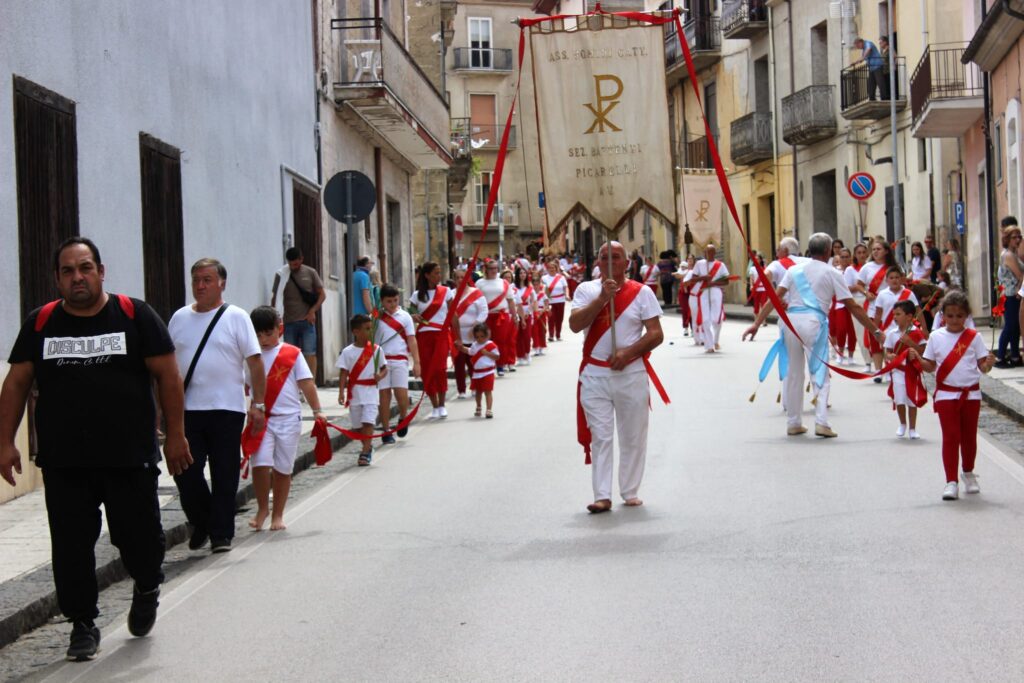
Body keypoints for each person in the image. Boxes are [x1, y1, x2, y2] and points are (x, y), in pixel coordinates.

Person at [0, 237, 192, 661]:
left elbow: (168, 376)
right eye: (68, 271)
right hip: (65, 460)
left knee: (137, 537)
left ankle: (146, 584)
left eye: (85, 268)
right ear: (58, 279)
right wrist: (4, 443)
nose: (78, 277)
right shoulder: (41, 323)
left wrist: (176, 435)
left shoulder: (134, 315)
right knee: (70, 545)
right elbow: (15, 383)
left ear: (101, 271)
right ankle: (82, 623)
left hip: (129, 456)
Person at [743, 233, 885, 438]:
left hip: (790, 323)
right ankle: (821, 421)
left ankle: (793, 422)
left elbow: (775, 298)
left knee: (794, 374)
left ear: (809, 251)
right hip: (814, 323)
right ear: (828, 251)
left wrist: (757, 324)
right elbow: (853, 306)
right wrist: (876, 331)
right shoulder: (833, 273)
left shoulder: (793, 270)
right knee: (819, 373)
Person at [170, 258, 265, 554]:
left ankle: (221, 533)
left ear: (222, 282)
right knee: (186, 473)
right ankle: (202, 520)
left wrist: (258, 404)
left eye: (207, 280)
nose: (200, 285)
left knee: (224, 472)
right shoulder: (179, 318)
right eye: (196, 279)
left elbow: (255, 362)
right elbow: (168, 366)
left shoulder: (236, 317)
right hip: (187, 409)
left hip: (227, 408)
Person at [570, 241, 665, 514]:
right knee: (600, 436)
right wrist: (602, 299)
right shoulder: (586, 290)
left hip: (630, 372)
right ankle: (602, 495)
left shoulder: (642, 292)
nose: (610, 261)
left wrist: (628, 353)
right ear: (597, 263)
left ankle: (630, 490)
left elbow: (655, 334)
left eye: (616, 257)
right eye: (604, 257)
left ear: (627, 263)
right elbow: (575, 325)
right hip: (594, 375)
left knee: (632, 435)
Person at [244, 306, 323, 531]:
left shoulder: (292, 354)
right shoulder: (251, 357)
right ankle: (262, 509)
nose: (263, 339)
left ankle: (278, 514)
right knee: (260, 464)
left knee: (282, 469)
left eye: (268, 334)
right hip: (262, 420)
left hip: (288, 419)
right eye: (258, 335)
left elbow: (306, 383)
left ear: (279, 329)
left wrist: (317, 411)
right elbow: (245, 385)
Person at [910, 291, 995, 500]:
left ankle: (968, 472)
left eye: (959, 316)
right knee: (951, 437)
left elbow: (982, 367)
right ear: (942, 316)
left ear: (966, 316)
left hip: (971, 394)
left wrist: (989, 364)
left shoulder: (974, 337)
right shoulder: (936, 337)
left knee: (968, 438)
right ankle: (951, 481)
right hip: (946, 395)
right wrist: (919, 360)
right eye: (950, 315)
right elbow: (930, 366)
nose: (955, 320)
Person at [336, 314, 387, 466]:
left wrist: (380, 376)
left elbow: (385, 368)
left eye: (371, 328)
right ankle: (367, 445)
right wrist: (341, 392)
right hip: (355, 393)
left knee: (368, 421)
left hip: (371, 391)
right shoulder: (347, 352)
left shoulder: (377, 350)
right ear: (356, 332)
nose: (370, 332)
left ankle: (365, 453)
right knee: (358, 426)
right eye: (366, 329)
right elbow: (344, 373)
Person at [271, 247, 326, 380]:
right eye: (290, 264)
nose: (292, 266)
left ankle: (311, 384)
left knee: (310, 353)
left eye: (295, 264)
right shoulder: (281, 274)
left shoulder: (310, 272)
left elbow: (322, 295)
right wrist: (274, 317)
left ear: (301, 260)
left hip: (307, 320)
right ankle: (293, 384)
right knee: (289, 355)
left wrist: (313, 311)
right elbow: (276, 296)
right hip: (288, 322)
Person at [375, 284, 421, 442]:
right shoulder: (376, 317)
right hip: (382, 361)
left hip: (400, 359)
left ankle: (403, 417)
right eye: (389, 301)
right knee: (384, 395)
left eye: (395, 300)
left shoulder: (405, 316)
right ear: (381, 301)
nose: (392, 304)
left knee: (401, 394)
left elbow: (411, 340)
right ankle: (386, 430)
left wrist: (417, 362)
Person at [411, 262, 456, 419]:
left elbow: (453, 315)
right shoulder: (417, 295)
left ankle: (442, 404)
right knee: (427, 371)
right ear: (427, 275)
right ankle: (434, 405)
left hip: (441, 335)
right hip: (423, 336)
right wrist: (413, 316)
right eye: (436, 273)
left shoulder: (446, 291)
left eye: (439, 272)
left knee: (440, 369)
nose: (439, 275)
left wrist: (458, 337)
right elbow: (410, 314)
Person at [884, 300, 927, 440]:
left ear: (909, 316)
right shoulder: (892, 334)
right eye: (894, 314)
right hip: (898, 370)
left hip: (911, 370)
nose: (895, 317)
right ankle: (902, 423)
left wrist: (910, 343)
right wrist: (891, 356)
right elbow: (887, 352)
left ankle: (913, 428)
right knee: (900, 398)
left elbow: (923, 351)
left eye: (898, 314)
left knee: (911, 399)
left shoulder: (917, 333)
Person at [854, 239, 895, 373]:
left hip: (891, 307)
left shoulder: (892, 267)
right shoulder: (867, 267)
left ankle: (889, 369)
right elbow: (858, 285)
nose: (876, 252)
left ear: (886, 251)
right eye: (874, 250)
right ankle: (878, 370)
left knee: (890, 338)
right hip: (873, 307)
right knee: (875, 338)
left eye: (879, 249)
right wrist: (866, 293)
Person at [478, 259, 518, 374]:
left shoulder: (503, 283)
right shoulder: (480, 283)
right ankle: (489, 365)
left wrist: (514, 316)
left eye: (496, 268)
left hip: (501, 315)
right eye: (491, 268)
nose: (494, 271)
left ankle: (500, 364)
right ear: (486, 269)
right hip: (486, 315)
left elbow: (510, 301)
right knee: (486, 340)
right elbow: (476, 300)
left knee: (501, 340)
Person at [452, 271, 489, 397]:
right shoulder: (451, 295)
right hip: (457, 333)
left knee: (473, 361)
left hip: (473, 333)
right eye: (457, 278)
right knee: (458, 363)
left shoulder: (476, 293)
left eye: (462, 277)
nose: (460, 280)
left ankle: (475, 386)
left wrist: (477, 324)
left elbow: (484, 310)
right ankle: (461, 390)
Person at [692, 243, 731, 353]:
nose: (707, 254)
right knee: (705, 319)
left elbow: (726, 281)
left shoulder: (720, 265)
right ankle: (709, 346)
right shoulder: (699, 264)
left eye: (709, 252)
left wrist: (713, 282)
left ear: (714, 253)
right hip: (703, 292)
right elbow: (693, 279)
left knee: (716, 319)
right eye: (705, 252)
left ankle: (715, 340)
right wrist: (704, 277)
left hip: (716, 291)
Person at [997, 223, 1024, 367]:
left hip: (1014, 294)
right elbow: (1020, 276)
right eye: (1014, 237)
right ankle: (1000, 357)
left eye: (1019, 236)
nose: (1018, 240)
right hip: (1012, 295)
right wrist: (1021, 293)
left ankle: (1014, 356)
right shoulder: (1008, 255)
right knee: (1010, 326)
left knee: (1015, 327)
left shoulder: (1013, 254)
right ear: (1007, 239)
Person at [845, 243, 871, 369]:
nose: (861, 255)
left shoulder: (871, 267)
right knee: (861, 332)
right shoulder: (850, 270)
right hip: (858, 302)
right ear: (855, 255)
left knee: (873, 331)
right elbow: (845, 288)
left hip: (871, 302)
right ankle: (867, 361)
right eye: (858, 252)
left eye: (863, 252)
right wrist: (857, 287)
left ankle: (878, 359)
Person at [830, 248, 857, 365]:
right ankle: (840, 353)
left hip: (854, 303)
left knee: (852, 331)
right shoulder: (834, 271)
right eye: (842, 257)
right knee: (840, 329)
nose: (845, 259)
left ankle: (851, 355)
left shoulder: (854, 270)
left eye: (847, 257)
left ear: (850, 258)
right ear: (838, 258)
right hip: (840, 303)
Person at [468, 323, 500, 418]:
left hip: (488, 372)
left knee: (488, 391)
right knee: (478, 392)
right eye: (477, 337)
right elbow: (470, 351)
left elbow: (497, 357)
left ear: (487, 335)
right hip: (477, 373)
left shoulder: (491, 345)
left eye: (482, 336)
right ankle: (478, 406)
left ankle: (489, 410)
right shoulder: (474, 345)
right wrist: (461, 348)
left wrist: (487, 353)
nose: (479, 339)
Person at [542, 258, 570, 341]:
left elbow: (565, 287)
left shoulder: (561, 277)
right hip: (550, 301)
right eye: (550, 268)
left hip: (560, 300)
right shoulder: (544, 278)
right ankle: (551, 335)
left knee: (559, 318)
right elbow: (541, 289)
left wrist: (567, 295)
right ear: (547, 269)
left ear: (556, 268)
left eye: (553, 268)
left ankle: (558, 334)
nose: (551, 269)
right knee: (551, 318)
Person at [515, 269, 536, 366]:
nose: (522, 275)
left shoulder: (530, 288)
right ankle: (519, 356)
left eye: (524, 273)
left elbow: (533, 301)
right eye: (520, 273)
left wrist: (528, 311)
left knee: (527, 335)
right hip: (516, 313)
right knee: (518, 335)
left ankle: (527, 353)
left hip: (527, 313)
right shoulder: (513, 287)